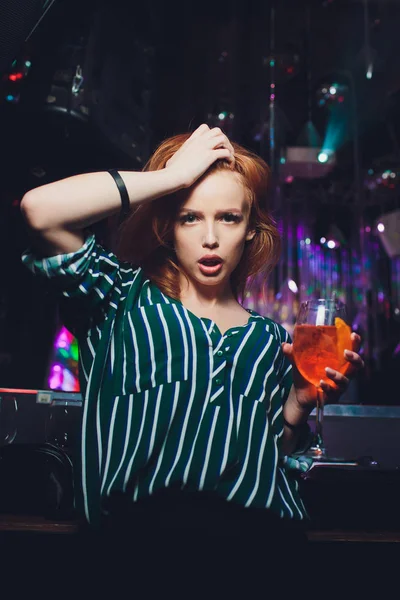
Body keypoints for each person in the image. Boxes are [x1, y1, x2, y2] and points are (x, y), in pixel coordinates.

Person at [20, 124, 363, 592]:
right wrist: (173, 177)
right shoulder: (119, 299)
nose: (209, 238)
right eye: (188, 217)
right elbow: (40, 211)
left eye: (228, 218)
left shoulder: (268, 340)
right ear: (168, 225)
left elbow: (270, 458)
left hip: (261, 558)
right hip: (136, 556)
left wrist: (298, 405)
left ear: (249, 231)